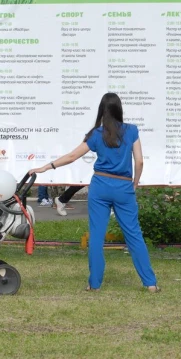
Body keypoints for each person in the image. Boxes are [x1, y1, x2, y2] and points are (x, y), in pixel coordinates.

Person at [29, 93, 159, 292]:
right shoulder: (132, 130)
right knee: (134, 235)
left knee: (97, 236)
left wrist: (46, 167)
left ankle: (95, 284)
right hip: (123, 186)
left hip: (100, 186)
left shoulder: (96, 134)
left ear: (101, 110)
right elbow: (139, 161)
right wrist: (135, 183)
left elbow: (72, 156)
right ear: (119, 109)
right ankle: (150, 283)